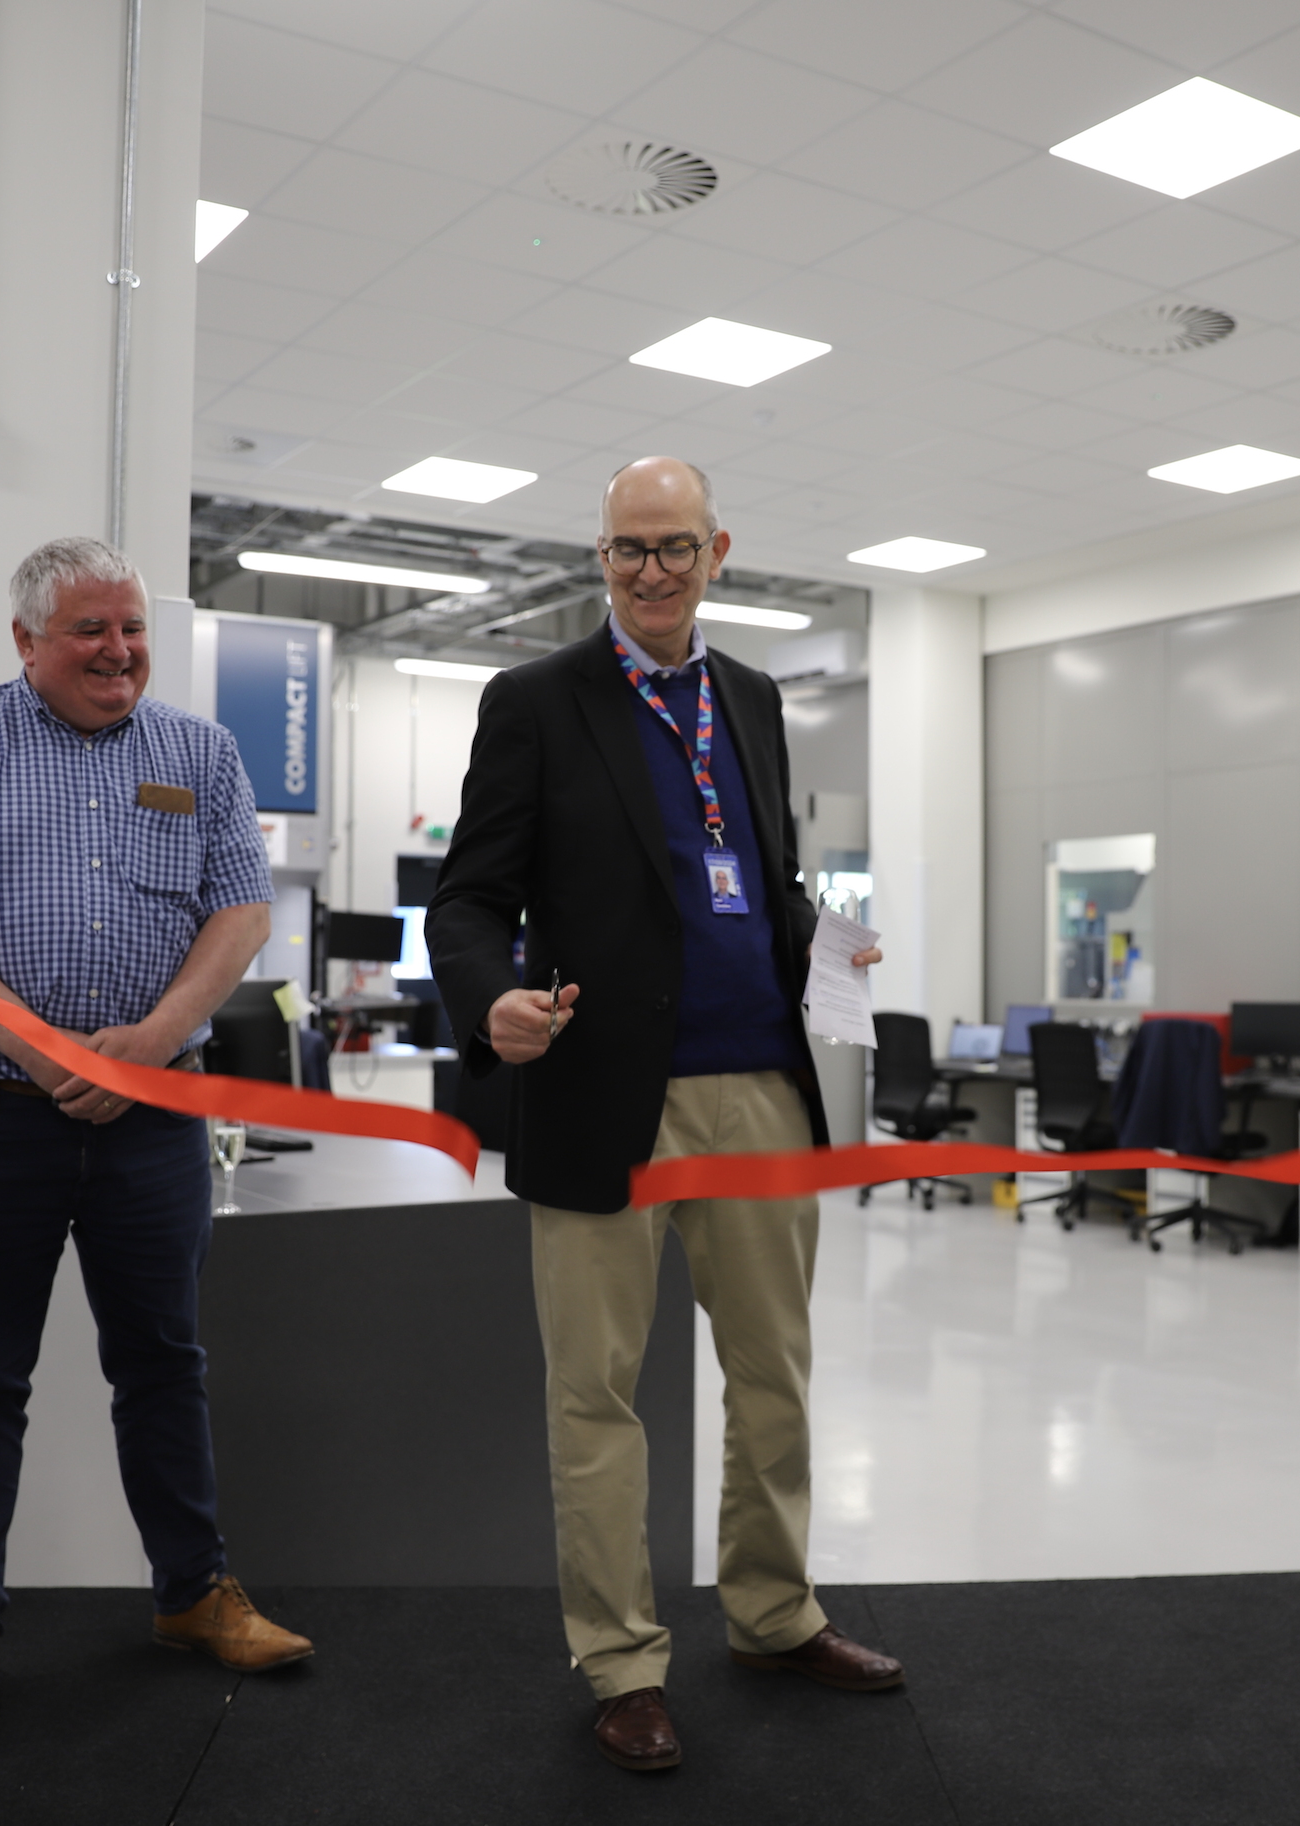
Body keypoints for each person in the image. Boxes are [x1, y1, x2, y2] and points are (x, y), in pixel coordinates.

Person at [427, 457, 901, 1773]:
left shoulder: (750, 697)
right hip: (598, 1097)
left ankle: (772, 1613)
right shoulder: (534, 701)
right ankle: (622, 1661)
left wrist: (826, 944)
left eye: (674, 547)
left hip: (759, 1087)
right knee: (597, 1395)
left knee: (775, 1378)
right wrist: (489, 1000)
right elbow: (466, 900)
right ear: (600, 557)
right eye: (629, 549)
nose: (651, 571)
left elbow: (758, 872)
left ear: (717, 551)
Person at [0, 536, 305, 1735]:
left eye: (132, 630)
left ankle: (193, 1591)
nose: (119, 652)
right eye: (90, 632)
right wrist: (44, 1048)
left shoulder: (198, 751)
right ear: (25, 643)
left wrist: (150, 1040)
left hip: (151, 1122)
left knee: (163, 1362)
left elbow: (241, 910)